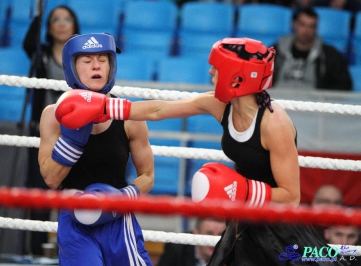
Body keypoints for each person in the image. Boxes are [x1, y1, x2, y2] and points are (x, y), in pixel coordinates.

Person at [54, 37, 348, 265]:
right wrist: (107, 107)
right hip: (243, 219)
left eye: (216, 68)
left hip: (277, 227)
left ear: (237, 77)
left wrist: (242, 190)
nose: (209, 71)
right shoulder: (218, 104)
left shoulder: (275, 124)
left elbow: (292, 196)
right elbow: (158, 109)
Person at [38, 33, 155, 265]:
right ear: (72, 66)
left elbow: (148, 176)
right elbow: (51, 179)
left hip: (118, 218)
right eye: (87, 60)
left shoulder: (130, 116)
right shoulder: (53, 115)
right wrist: (72, 139)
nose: (96, 66)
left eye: (103, 59)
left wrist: (122, 197)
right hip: (75, 220)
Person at [22, 1, 80, 255]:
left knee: (71, 195)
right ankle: (35, 253)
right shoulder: (41, 54)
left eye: (66, 19)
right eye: (55, 20)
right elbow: (28, 43)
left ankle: (68, 253)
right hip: (43, 135)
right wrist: (38, 13)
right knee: (39, 194)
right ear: (49, 27)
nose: (61, 24)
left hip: (75, 135)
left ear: (74, 25)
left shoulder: (81, 57)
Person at [272, 6, 352, 91]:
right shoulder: (275, 51)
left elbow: (345, 84)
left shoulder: (329, 55)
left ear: (316, 29)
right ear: (293, 24)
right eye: (302, 25)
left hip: (312, 102)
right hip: (278, 99)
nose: (306, 30)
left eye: (311, 26)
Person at [158, 218, 226, 266]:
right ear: (196, 233)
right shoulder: (177, 248)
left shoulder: (230, 253)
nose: (214, 240)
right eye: (209, 233)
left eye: (220, 234)